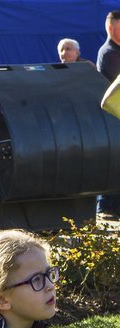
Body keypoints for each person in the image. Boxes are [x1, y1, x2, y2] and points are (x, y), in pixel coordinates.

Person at [97, 11, 120, 220]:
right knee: (114, 159)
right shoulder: (109, 53)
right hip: (112, 115)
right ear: (112, 28)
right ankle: (106, 206)